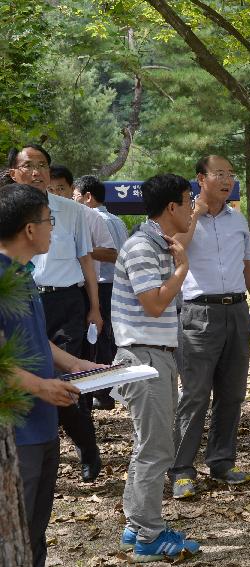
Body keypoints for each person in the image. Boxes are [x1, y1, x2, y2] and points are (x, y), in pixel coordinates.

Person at [0, 183, 99, 567]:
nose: (53, 229)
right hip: (16, 433)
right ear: (29, 229)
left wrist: (78, 366)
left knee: (35, 535)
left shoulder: (24, 275)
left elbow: (36, 341)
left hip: (42, 427)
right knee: (13, 537)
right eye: (49, 221)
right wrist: (41, 386)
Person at [111, 173, 201, 561]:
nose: (192, 208)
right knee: (156, 450)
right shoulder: (142, 247)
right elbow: (153, 303)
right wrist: (182, 271)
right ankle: (149, 536)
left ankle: (137, 525)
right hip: (143, 357)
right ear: (171, 207)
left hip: (155, 354)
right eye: (188, 200)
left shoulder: (158, 243)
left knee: (149, 446)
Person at [170, 155, 250, 499]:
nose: (227, 180)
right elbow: (178, 246)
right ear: (201, 178)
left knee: (232, 393)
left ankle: (222, 461)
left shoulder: (237, 220)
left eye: (231, 174)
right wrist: (194, 213)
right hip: (198, 313)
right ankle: (181, 470)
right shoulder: (184, 217)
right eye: (219, 174)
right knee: (195, 394)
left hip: (237, 310)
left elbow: (249, 263)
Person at [6, 145, 103, 483]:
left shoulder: (70, 212)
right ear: (13, 173)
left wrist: (94, 308)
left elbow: (86, 259)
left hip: (64, 302)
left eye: (43, 165)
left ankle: (86, 448)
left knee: (63, 380)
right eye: (28, 165)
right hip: (18, 301)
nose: (37, 172)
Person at [73, 175, 129, 409]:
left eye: (75, 196)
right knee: (115, 338)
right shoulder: (118, 220)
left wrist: (77, 248)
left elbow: (110, 253)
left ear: (88, 197)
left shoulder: (93, 218)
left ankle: (104, 393)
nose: (72, 200)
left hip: (101, 285)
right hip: (119, 284)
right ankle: (118, 388)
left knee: (100, 339)